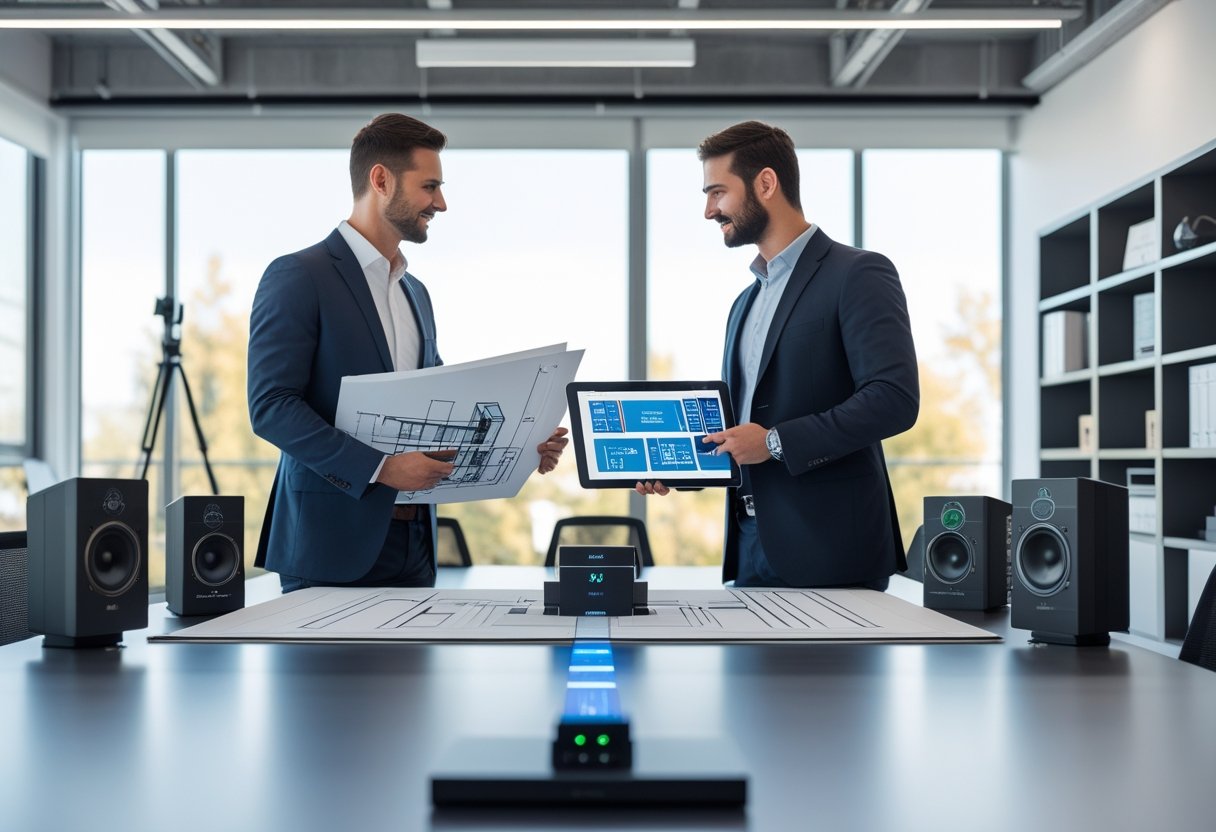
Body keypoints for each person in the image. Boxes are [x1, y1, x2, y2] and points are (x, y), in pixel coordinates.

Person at [248, 113, 568, 592]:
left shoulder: (415, 292)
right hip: (330, 543)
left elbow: (440, 409)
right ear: (381, 179)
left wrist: (524, 446)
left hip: (415, 547)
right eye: (430, 186)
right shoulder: (299, 276)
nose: (440, 202)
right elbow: (271, 407)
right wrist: (381, 468)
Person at [638, 120, 919, 590]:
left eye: (717, 192)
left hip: (832, 552)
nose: (709, 210)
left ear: (766, 183)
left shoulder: (858, 273)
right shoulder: (744, 303)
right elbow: (741, 427)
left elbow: (893, 398)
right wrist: (675, 466)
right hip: (750, 549)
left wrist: (772, 442)